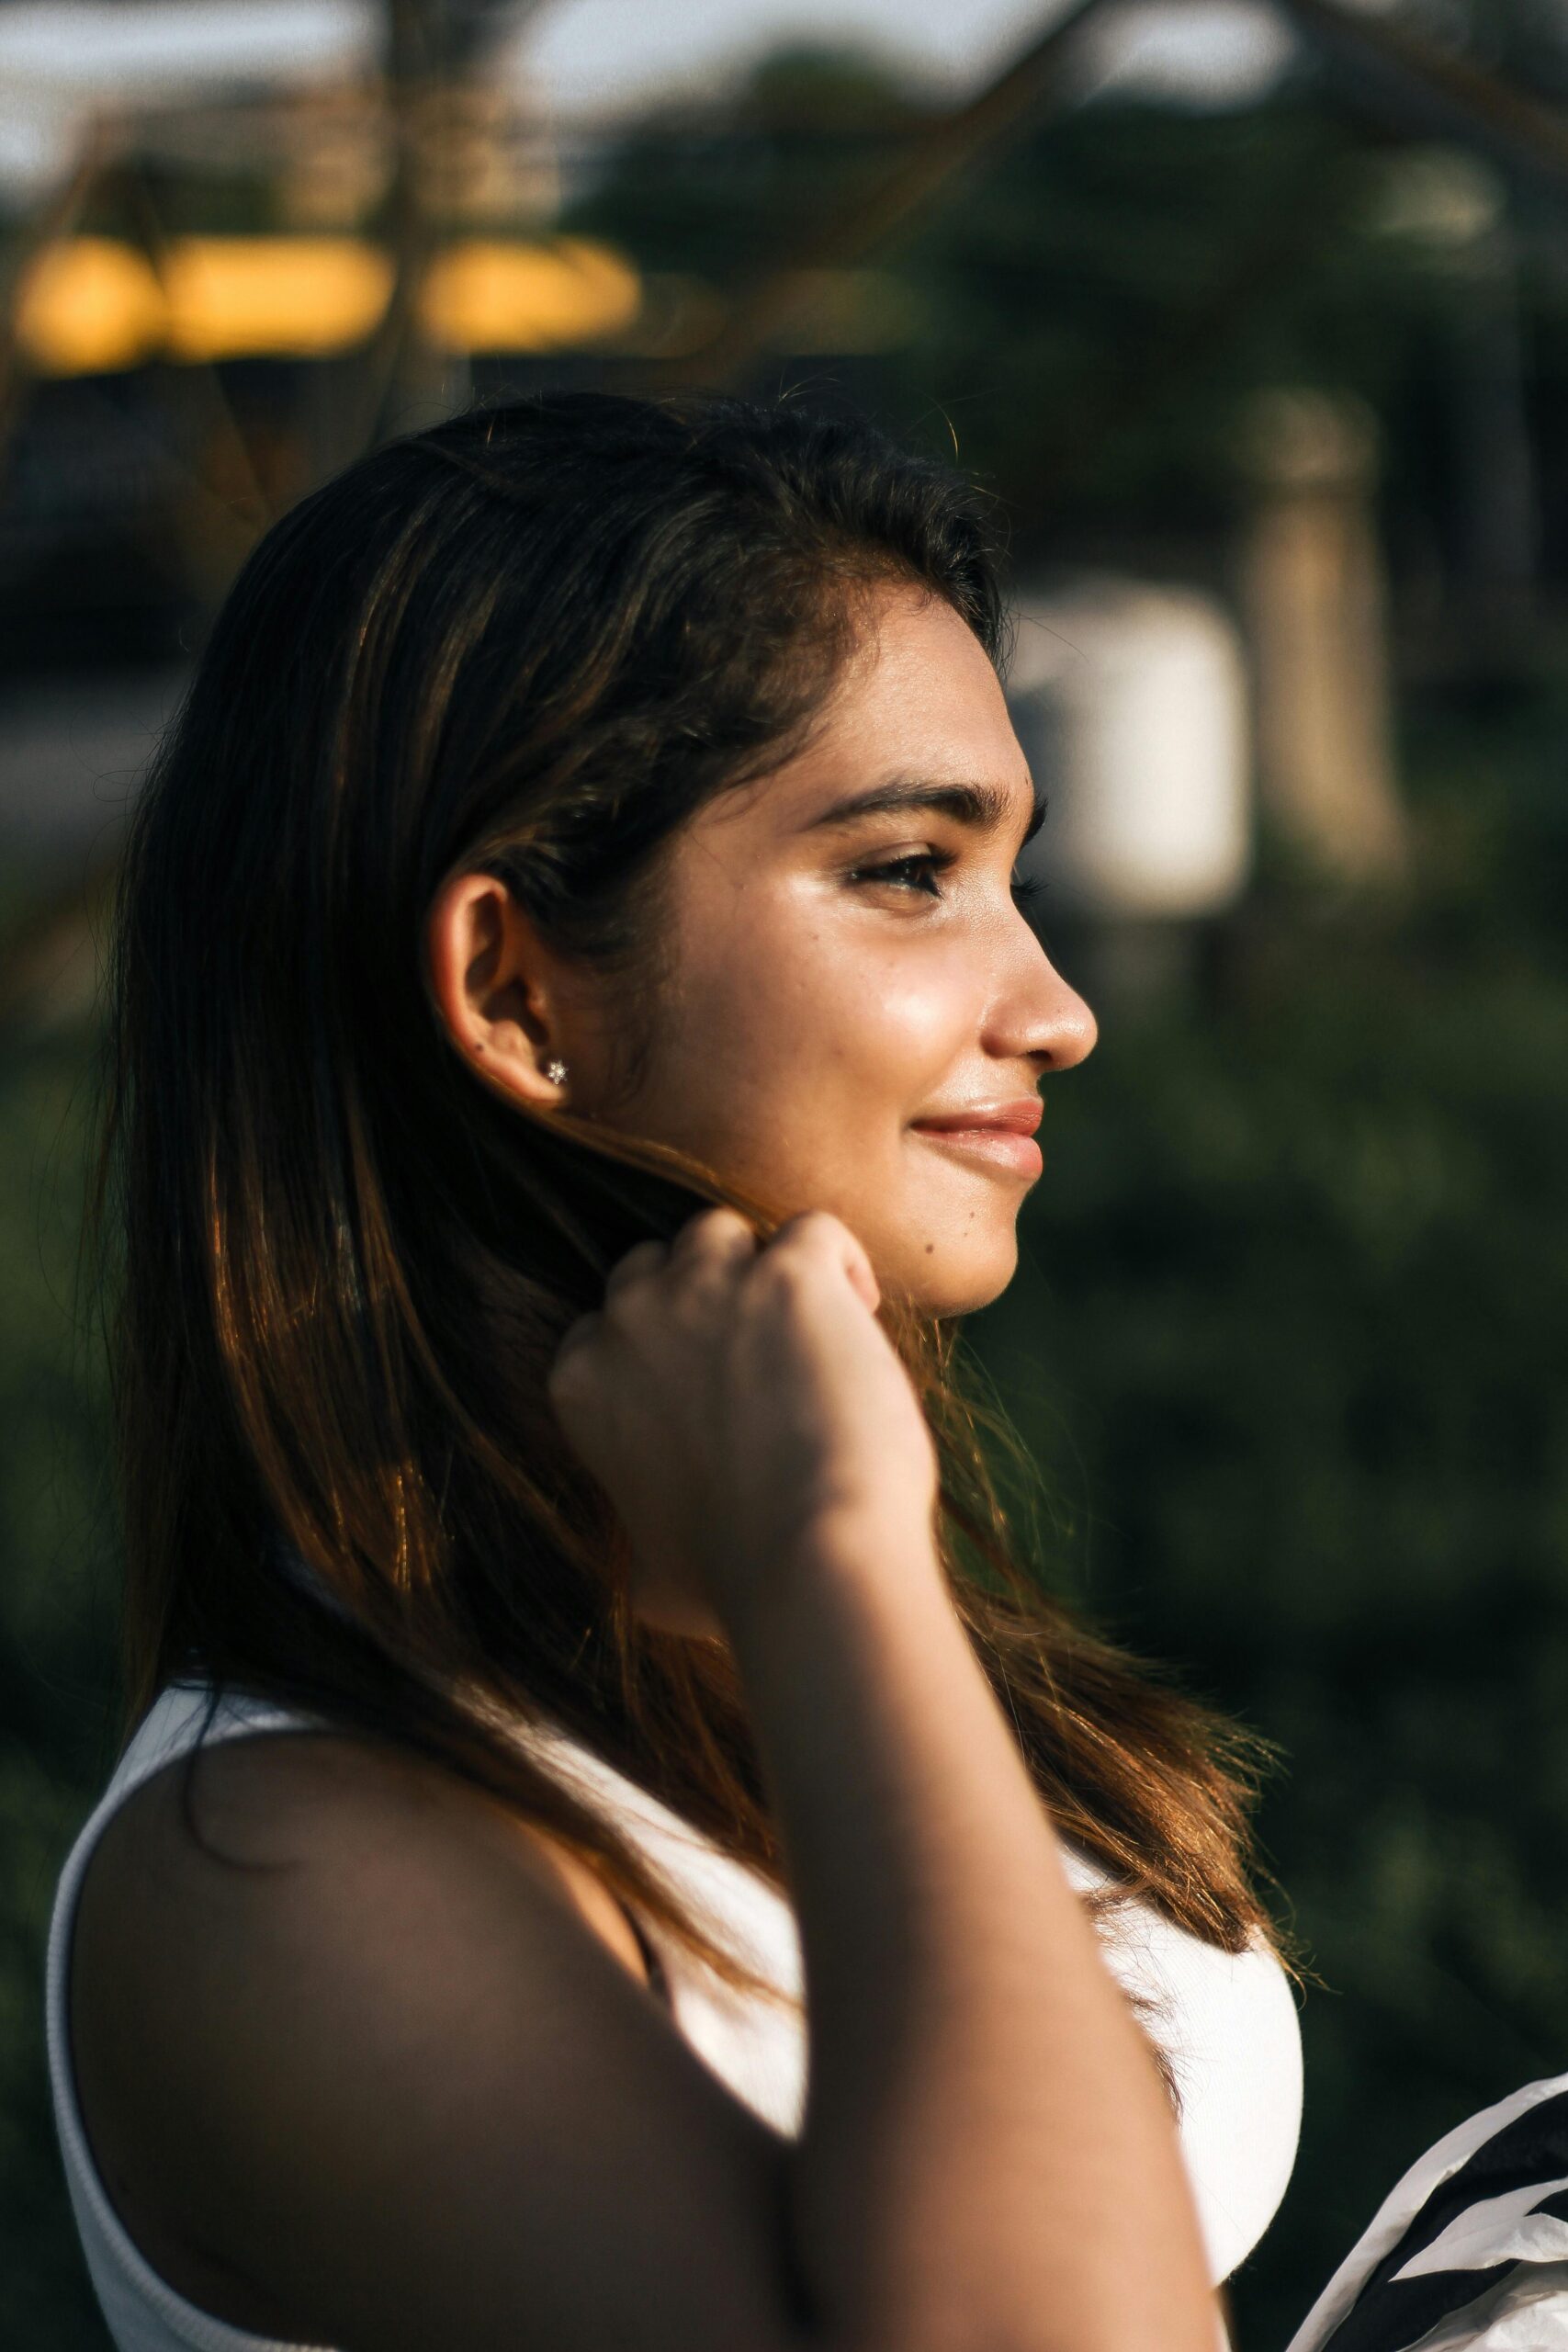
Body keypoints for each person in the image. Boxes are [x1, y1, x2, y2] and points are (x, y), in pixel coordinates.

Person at [46, 391, 1305, 2352]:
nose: (1049, 1009)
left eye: (1013, 875)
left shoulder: (734, 1585)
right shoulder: (284, 1872)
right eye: (907, 869)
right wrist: (834, 1565)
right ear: (515, 989)